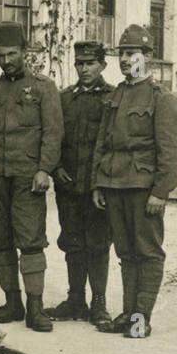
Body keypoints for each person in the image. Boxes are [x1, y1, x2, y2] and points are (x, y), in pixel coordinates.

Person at [92, 24, 177, 338]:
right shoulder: (116, 94)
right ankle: (128, 313)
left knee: (148, 252)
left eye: (132, 53)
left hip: (143, 188)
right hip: (114, 184)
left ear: (148, 56)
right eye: (121, 53)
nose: (124, 59)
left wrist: (161, 191)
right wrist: (97, 183)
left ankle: (140, 318)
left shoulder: (161, 98)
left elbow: (171, 150)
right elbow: (102, 143)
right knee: (125, 252)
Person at [0, 21, 63, 331]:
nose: (6, 60)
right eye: (1, 55)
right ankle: (13, 302)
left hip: (27, 176)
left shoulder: (43, 88)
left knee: (30, 239)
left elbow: (53, 133)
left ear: (24, 51)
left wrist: (44, 169)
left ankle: (35, 308)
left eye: (12, 53)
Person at [50, 40, 114, 325]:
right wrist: (56, 168)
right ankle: (75, 299)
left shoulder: (112, 98)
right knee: (72, 241)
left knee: (98, 244)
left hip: (97, 188)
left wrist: (103, 180)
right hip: (68, 186)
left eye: (90, 63)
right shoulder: (64, 98)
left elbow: (113, 143)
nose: (84, 69)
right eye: (80, 63)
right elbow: (53, 137)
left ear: (102, 65)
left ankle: (98, 303)